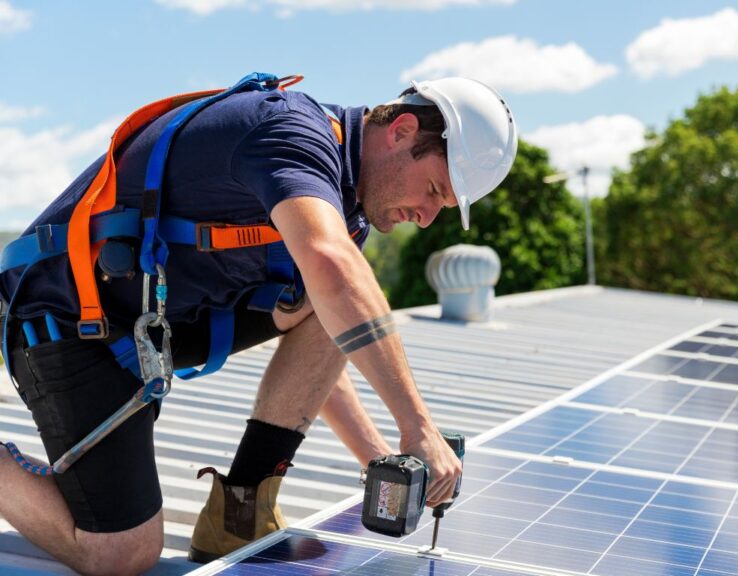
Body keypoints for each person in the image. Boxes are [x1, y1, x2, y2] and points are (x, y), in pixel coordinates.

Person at [0, 73, 517, 575]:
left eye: (442, 207)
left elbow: (330, 332)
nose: (427, 217)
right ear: (401, 130)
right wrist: (418, 427)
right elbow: (335, 272)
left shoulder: (342, 211)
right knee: (120, 555)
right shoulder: (290, 133)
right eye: (432, 189)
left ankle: (237, 513)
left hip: (141, 327)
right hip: (66, 321)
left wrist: (378, 459)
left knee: (328, 300)